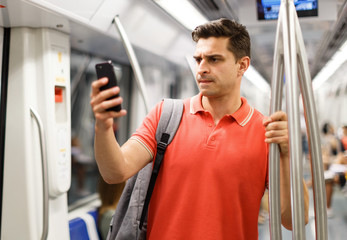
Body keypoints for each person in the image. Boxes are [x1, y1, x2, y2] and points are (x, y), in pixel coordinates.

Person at [90, 18, 309, 239]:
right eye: (198, 59)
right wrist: (103, 126)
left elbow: (292, 220)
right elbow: (115, 172)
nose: (202, 69)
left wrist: (288, 155)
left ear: (242, 65)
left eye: (214, 59)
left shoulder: (265, 131)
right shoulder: (165, 116)